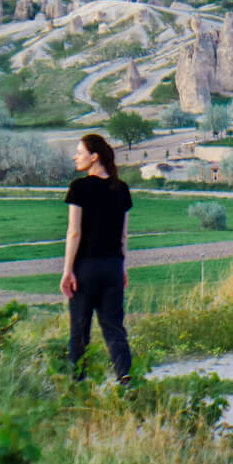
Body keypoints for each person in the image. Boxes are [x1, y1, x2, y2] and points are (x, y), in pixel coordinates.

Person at [62, 133, 134, 384]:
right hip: (113, 266)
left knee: (80, 329)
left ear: (94, 157)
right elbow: (123, 235)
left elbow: (74, 232)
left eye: (79, 152)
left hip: (86, 268)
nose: (76, 157)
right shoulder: (121, 189)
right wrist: (121, 266)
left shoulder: (79, 188)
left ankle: (77, 382)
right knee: (114, 327)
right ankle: (125, 378)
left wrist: (67, 270)